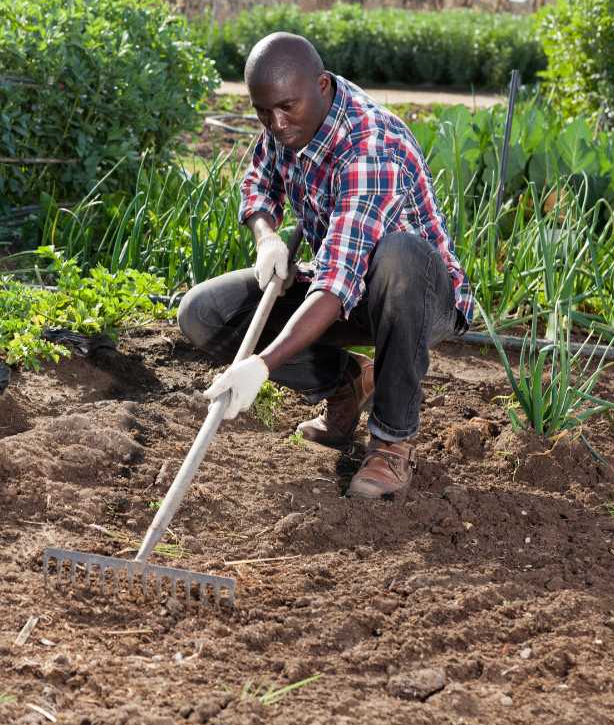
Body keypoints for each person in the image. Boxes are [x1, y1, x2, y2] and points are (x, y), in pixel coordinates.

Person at [177, 32, 474, 500]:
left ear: (321, 86)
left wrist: (262, 364)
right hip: (345, 287)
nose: (275, 123)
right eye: (263, 112)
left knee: (398, 256)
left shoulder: (372, 145)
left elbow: (336, 284)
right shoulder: (285, 118)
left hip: (416, 297)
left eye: (286, 108)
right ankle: (349, 382)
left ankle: (391, 442)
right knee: (202, 313)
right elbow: (258, 182)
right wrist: (267, 237)